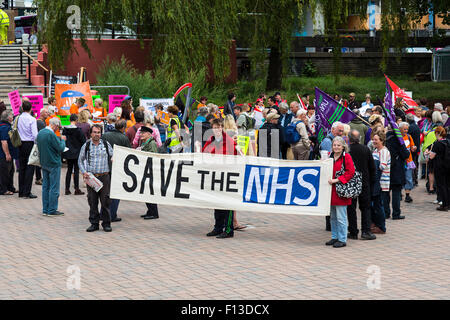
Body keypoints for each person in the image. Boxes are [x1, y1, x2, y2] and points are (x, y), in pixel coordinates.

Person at [203, 119, 238, 239]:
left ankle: (228, 230)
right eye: (215, 127)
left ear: (222, 128)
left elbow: (231, 158)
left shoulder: (228, 141)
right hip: (215, 175)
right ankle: (218, 227)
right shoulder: (211, 140)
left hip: (227, 176)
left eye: (219, 127)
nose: (217, 130)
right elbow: (205, 154)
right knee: (216, 202)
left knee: (226, 204)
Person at [78, 125, 114, 232]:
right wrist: (84, 172)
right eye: (94, 132)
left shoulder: (106, 144)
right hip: (92, 178)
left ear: (101, 133)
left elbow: (113, 155)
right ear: (91, 133)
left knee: (106, 201)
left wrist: (114, 158)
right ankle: (94, 223)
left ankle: (106, 223)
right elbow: (80, 160)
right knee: (92, 201)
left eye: (98, 132)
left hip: (104, 176)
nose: (96, 134)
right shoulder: (87, 145)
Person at [326, 136, 355, 248]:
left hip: (341, 191)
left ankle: (342, 238)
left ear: (343, 146)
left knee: (341, 217)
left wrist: (337, 180)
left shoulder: (346, 157)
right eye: (334, 145)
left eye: (338, 145)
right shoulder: (330, 156)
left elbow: (350, 172)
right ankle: (335, 236)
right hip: (331, 190)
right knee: (332, 216)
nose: (336, 147)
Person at [347, 130, 376, 240]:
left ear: (349, 138)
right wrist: (372, 181)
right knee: (365, 208)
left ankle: (353, 231)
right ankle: (366, 231)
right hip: (364, 181)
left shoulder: (347, 150)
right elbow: (372, 167)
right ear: (359, 138)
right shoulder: (365, 149)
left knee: (351, 207)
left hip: (351, 182)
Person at [35, 117, 66, 216]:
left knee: (46, 187)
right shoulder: (51, 134)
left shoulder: (40, 133)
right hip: (53, 162)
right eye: (58, 127)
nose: (58, 129)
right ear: (56, 125)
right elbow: (60, 148)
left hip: (44, 162)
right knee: (54, 187)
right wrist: (62, 140)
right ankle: (52, 209)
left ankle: (45, 209)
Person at [103, 119, 132, 222]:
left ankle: (104, 213)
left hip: (104, 167)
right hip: (117, 167)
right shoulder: (123, 138)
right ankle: (112, 214)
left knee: (105, 192)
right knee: (115, 192)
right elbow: (128, 154)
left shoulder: (105, 135)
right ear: (123, 128)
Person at [385, 125, 410, 220]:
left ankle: (386, 213)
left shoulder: (387, 138)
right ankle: (396, 213)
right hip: (397, 169)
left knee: (386, 192)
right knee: (396, 192)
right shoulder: (398, 140)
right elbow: (406, 154)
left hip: (387, 168)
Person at [137, 125, 161, 219]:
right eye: (140, 133)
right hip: (145, 170)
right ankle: (150, 210)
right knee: (145, 192)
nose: (141, 134)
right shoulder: (144, 143)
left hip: (150, 171)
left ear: (149, 134)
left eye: (143, 133)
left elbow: (153, 157)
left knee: (149, 192)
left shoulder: (151, 144)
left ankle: (154, 213)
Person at [371, 130, 391, 234]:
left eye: (376, 140)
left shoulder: (384, 151)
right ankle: (374, 223)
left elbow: (382, 166)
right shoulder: (375, 151)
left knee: (379, 205)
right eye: (373, 139)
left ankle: (381, 226)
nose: (374, 141)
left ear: (382, 140)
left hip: (382, 182)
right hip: (375, 182)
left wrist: (373, 165)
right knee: (374, 205)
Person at [17, 101, 38, 199]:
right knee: (30, 167)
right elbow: (35, 135)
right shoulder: (32, 119)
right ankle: (27, 191)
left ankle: (21, 191)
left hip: (20, 143)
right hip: (29, 143)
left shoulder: (18, 118)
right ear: (31, 108)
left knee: (22, 168)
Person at [62, 114, 86, 195]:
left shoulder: (65, 129)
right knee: (76, 170)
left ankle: (67, 189)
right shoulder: (78, 130)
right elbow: (83, 141)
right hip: (77, 152)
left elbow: (63, 140)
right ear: (76, 120)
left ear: (70, 120)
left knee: (69, 170)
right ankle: (76, 189)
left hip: (68, 151)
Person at [428, 126, 450, 211]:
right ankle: (448, 203)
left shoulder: (437, 144)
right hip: (448, 166)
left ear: (437, 133)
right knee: (448, 185)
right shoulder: (448, 142)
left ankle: (444, 204)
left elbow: (432, 156)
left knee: (441, 185)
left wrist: (429, 153)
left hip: (439, 166)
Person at [0, 110, 18, 196]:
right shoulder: (4, 127)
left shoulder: (6, 125)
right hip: (4, 155)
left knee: (11, 171)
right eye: (12, 116)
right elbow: (4, 141)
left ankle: (11, 187)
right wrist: (7, 154)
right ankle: (3, 189)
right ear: (8, 118)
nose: (13, 117)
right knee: (4, 172)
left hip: (8, 153)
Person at [399, 122, 416, 203]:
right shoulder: (397, 137)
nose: (406, 131)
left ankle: (407, 195)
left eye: (407, 129)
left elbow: (412, 147)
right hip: (400, 161)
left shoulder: (409, 137)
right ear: (400, 129)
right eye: (404, 129)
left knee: (408, 178)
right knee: (399, 177)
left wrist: (414, 148)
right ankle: (399, 193)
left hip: (408, 160)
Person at [35, 107, 49, 185]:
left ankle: (39, 177)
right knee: (39, 162)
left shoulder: (42, 121)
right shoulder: (40, 122)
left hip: (40, 143)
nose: (48, 114)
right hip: (40, 144)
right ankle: (38, 178)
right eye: (46, 112)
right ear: (42, 113)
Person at [407, 114, 420, 186]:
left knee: (412, 164)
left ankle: (414, 180)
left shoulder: (410, 127)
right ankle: (415, 180)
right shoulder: (416, 126)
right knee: (414, 163)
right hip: (416, 147)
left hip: (412, 148)